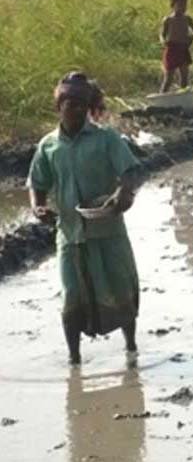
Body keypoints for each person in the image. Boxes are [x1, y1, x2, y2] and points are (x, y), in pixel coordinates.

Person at [28, 72, 143, 365]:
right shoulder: (49, 146)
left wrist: (123, 194)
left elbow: (130, 171)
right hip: (70, 233)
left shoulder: (107, 139)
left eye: (82, 103)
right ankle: (74, 359)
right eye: (71, 103)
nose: (77, 108)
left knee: (121, 289)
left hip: (108, 229)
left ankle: (131, 347)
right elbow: (37, 184)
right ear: (59, 106)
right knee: (71, 296)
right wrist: (38, 207)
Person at [159, 0, 193, 93]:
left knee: (184, 75)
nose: (183, 7)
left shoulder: (187, 19)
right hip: (171, 49)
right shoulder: (168, 19)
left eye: (185, 5)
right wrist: (163, 41)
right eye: (180, 5)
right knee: (169, 77)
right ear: (173, 5)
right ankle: (162, 96)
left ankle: (183, 94)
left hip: (183, 48)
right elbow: (162, 34)